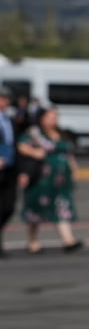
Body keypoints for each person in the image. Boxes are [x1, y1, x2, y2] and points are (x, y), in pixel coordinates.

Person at [16, 107, 83, 253]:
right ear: (42, 118)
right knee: (36, 209)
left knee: (61, 206)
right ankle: (32, 241)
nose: (53, 120)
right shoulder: (35, 133)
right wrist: (34, 152)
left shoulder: (61, 133)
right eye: (50, 117)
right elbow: (21, 146)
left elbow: (68, 154)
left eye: (55, 117)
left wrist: (73, 169)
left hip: (60, 179)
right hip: (42, 178)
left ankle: (68, 240)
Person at [0, 85, 17, 256]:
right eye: (2, 98)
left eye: (6, 99)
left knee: (8, 207)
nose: (5, 102)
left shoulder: (8, 119)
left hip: (9, 167)